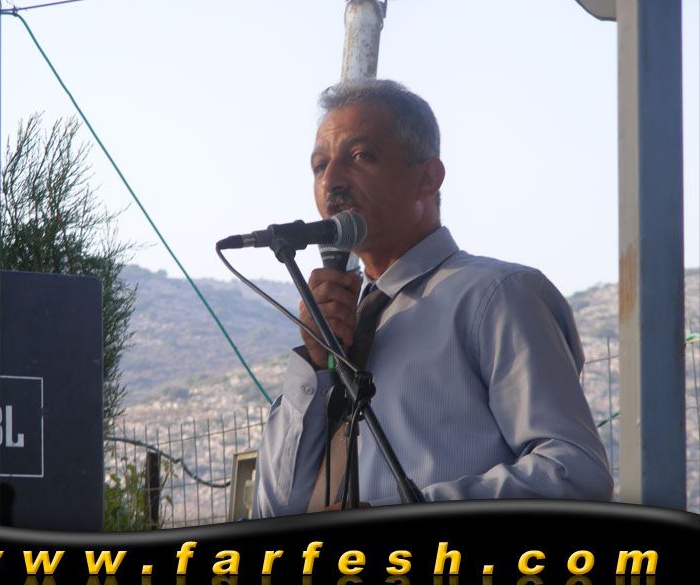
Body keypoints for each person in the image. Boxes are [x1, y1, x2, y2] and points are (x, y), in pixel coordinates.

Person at [252, 79, 613, 517]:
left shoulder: (496, 296)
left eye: (361, 156)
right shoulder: (340, 327)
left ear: (427, 178)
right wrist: (314, 364)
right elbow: (275, 507)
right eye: (319, 165)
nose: (332, 181)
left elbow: (575, 474)